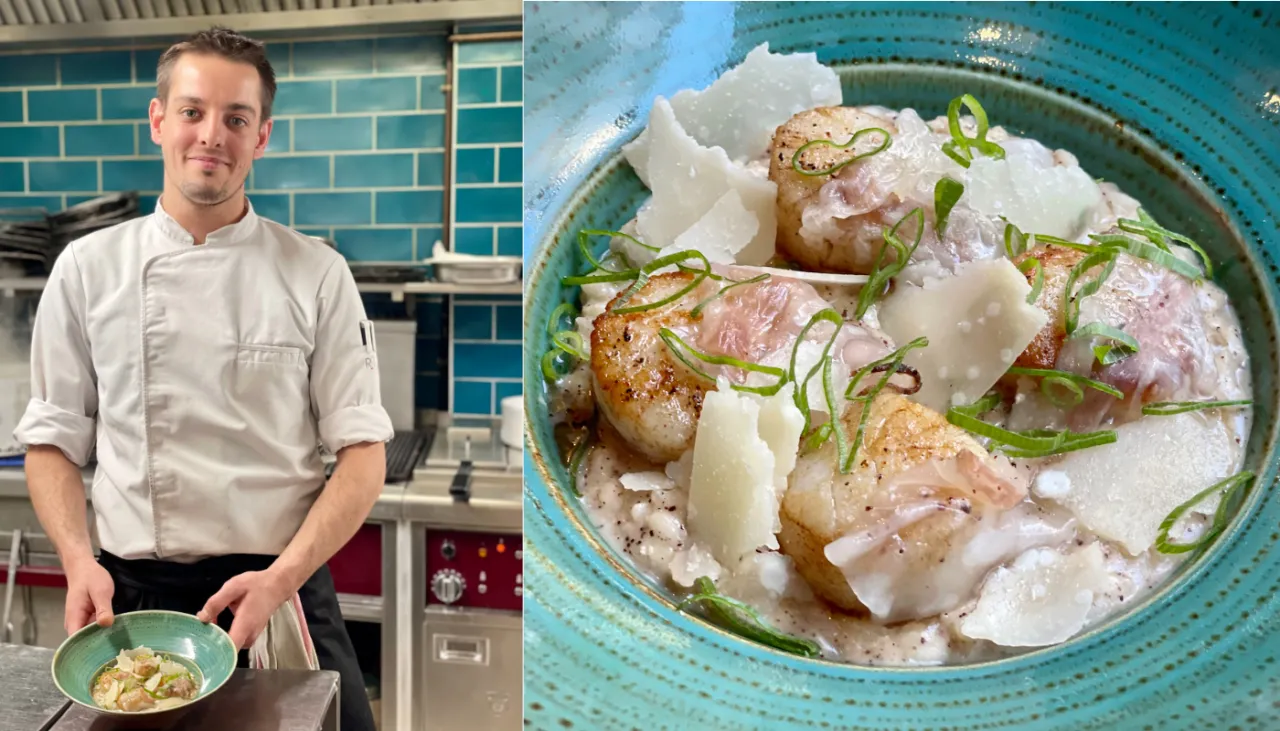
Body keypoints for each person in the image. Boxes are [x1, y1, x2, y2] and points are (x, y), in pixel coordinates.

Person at [15, 26, 390, 731]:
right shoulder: (86, 270)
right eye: (192, 111)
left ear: (262, 136)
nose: (211, 135)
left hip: (279, 590)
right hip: (133, 605)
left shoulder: (315, 273)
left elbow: (363, 454)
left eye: (235, 118)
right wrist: (74, 557)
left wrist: (281, 579)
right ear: (159, 120)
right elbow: (53, 443)